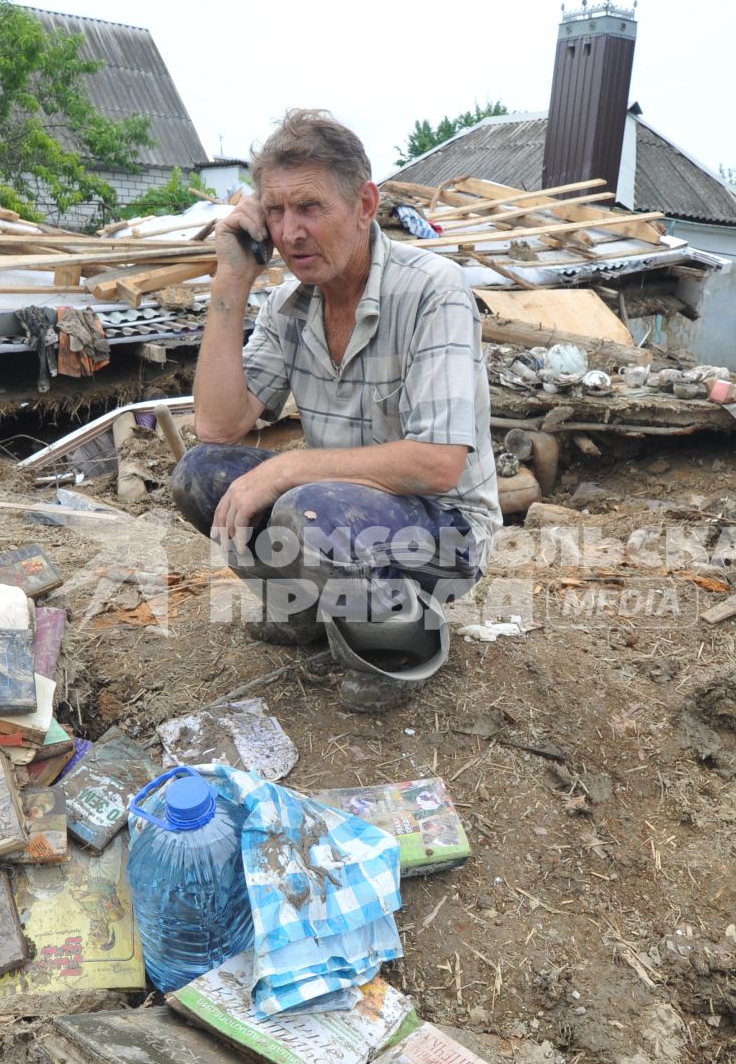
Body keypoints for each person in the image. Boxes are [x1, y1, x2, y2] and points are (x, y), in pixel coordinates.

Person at [170, 110, 499, 713]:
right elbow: (218, 427)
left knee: (305, 503)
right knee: (201, 474)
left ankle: (400, 648)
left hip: (445, 532)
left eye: (309, 207)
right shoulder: (290, 304)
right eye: (275, 211)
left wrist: (288, 468)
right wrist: (231, 279)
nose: (290, 231)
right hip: (340, 512)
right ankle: (305, 617)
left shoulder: (433, 289)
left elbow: (438, 466)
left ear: (365, 204)